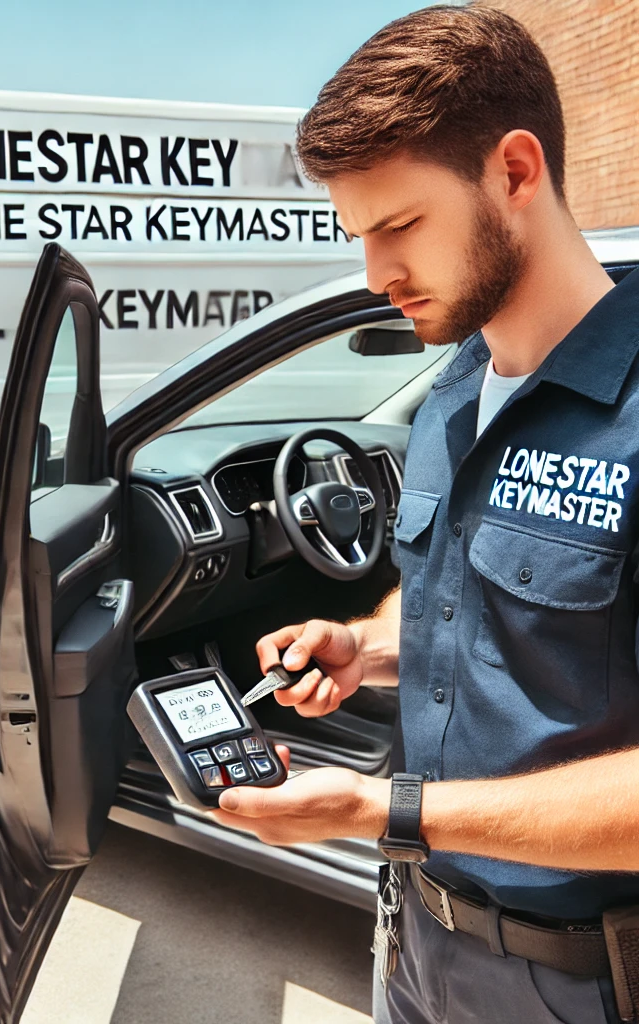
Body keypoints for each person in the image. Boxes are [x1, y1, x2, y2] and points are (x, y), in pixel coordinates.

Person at [211, 7, 639, 1024]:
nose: (374, 275)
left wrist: (379, 807)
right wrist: (365, 647)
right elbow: (468, 596)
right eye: (358, 237)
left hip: (579, 983)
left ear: (516, 172)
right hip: (411, 934)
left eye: (398, 226)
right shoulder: (451, 392)